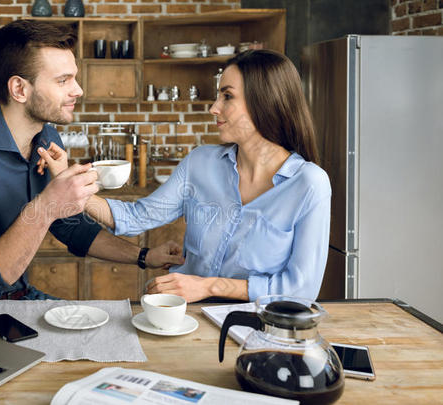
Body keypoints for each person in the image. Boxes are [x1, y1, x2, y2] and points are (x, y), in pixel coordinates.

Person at [0, 20, 183, 305]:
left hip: (20, 299)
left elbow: (70, 226)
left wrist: (143, 256)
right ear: (20, 89)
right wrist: (47, 204)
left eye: (74, 78)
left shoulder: (46, 137)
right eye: (63, 81)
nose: (78, 90)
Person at [39, 50, 331, 303]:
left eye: (227, 96)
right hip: (185, 317)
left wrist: (208, 286)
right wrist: (67, 180)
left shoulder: (309, 184)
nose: (214, 107)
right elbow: (136, 217)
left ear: (266, 102)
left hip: (255, 324)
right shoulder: (201, 163)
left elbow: (301, 290)